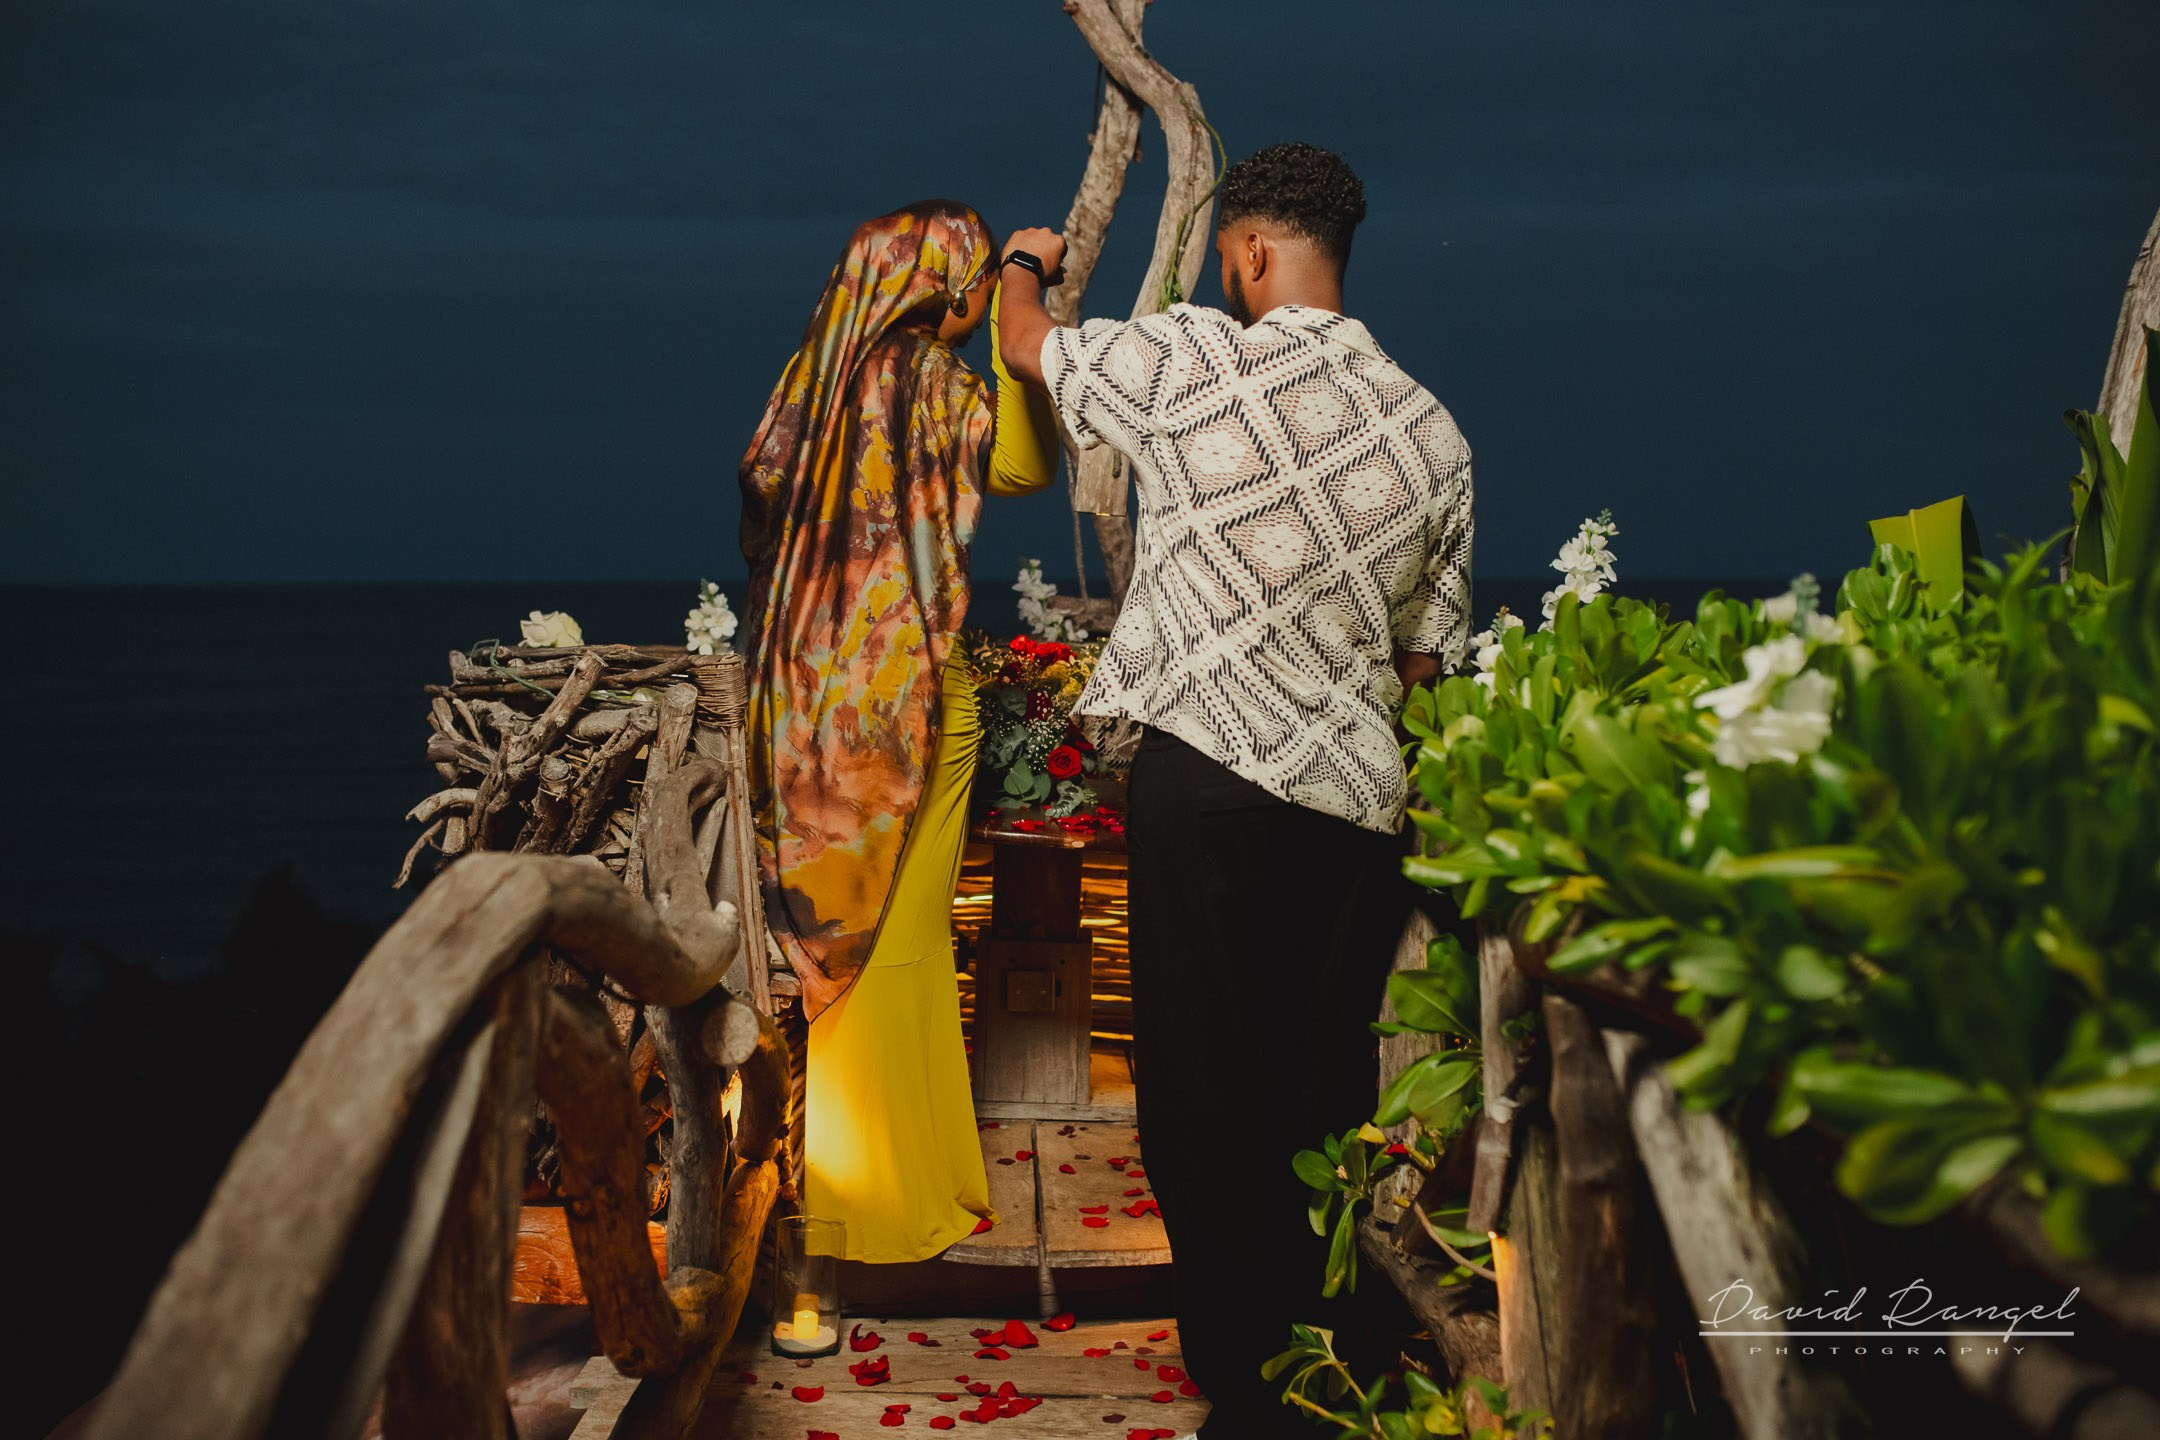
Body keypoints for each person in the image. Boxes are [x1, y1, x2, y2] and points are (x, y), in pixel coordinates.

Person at [996, 144, 1473, 1440]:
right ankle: (1334, 1369)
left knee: (1208, 1105)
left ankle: (1254, 1393)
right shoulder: (1433, 428)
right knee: (1328, 1096)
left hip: (1208, 782)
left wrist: (1025, 258)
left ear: (1252, 254)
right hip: (1359, 811)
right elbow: (1425, 661)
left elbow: (1034, 344)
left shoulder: (1195, 357)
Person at [740, 200, 1060, 1263]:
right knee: (904, 939)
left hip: (799, 698)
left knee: (823, 937)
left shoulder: (812, 379)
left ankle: (830, 1183)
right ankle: (889, 1205)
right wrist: (1026, 320)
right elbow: (1020, 468)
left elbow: (759, 488)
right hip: (913, 699)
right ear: (942, 287)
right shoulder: (935, 378)